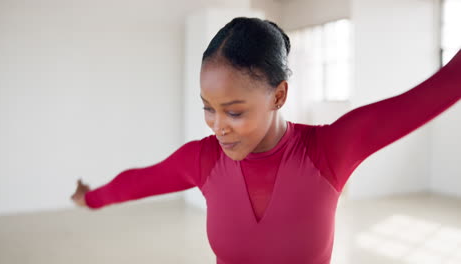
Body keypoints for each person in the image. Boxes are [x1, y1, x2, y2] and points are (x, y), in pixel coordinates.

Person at [71, 17, 461, 264]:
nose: (217, 126)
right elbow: (138, 182)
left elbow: (437, 90)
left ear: (278, 96)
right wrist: (89, 198)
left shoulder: (329, 151)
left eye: (234, 111)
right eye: (208, 107)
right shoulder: (203, 160)